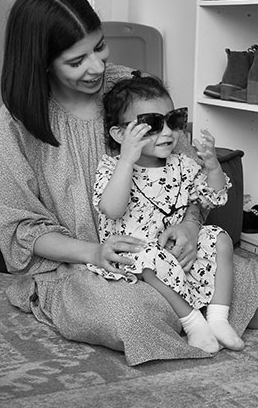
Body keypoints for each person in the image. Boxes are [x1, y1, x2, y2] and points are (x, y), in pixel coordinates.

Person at [0, 0, 258, 366]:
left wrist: (190, 225)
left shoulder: (131, 90)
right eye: (76, 60)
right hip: (85, 263)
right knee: (135, 317)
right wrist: (94, 253)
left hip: (166, 249)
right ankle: (177, 313)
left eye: (99, 47)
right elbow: (19, 228)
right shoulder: (16, 124)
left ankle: (190, 313)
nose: (96, 67)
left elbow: (187, 174)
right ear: (41, 61)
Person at [89, 74, 243, 353]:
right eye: (152, 124)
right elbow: (112, 208)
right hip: (137, 253)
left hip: (178, 249)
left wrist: (212, 167)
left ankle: (218, 317)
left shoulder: (181, 164)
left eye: (173, 121)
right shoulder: (113, 168)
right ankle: (193, 322)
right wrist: (127, 160)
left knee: (220, 238)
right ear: (120, 134)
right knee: (146, 256)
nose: (168, 132)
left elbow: (214, 197)